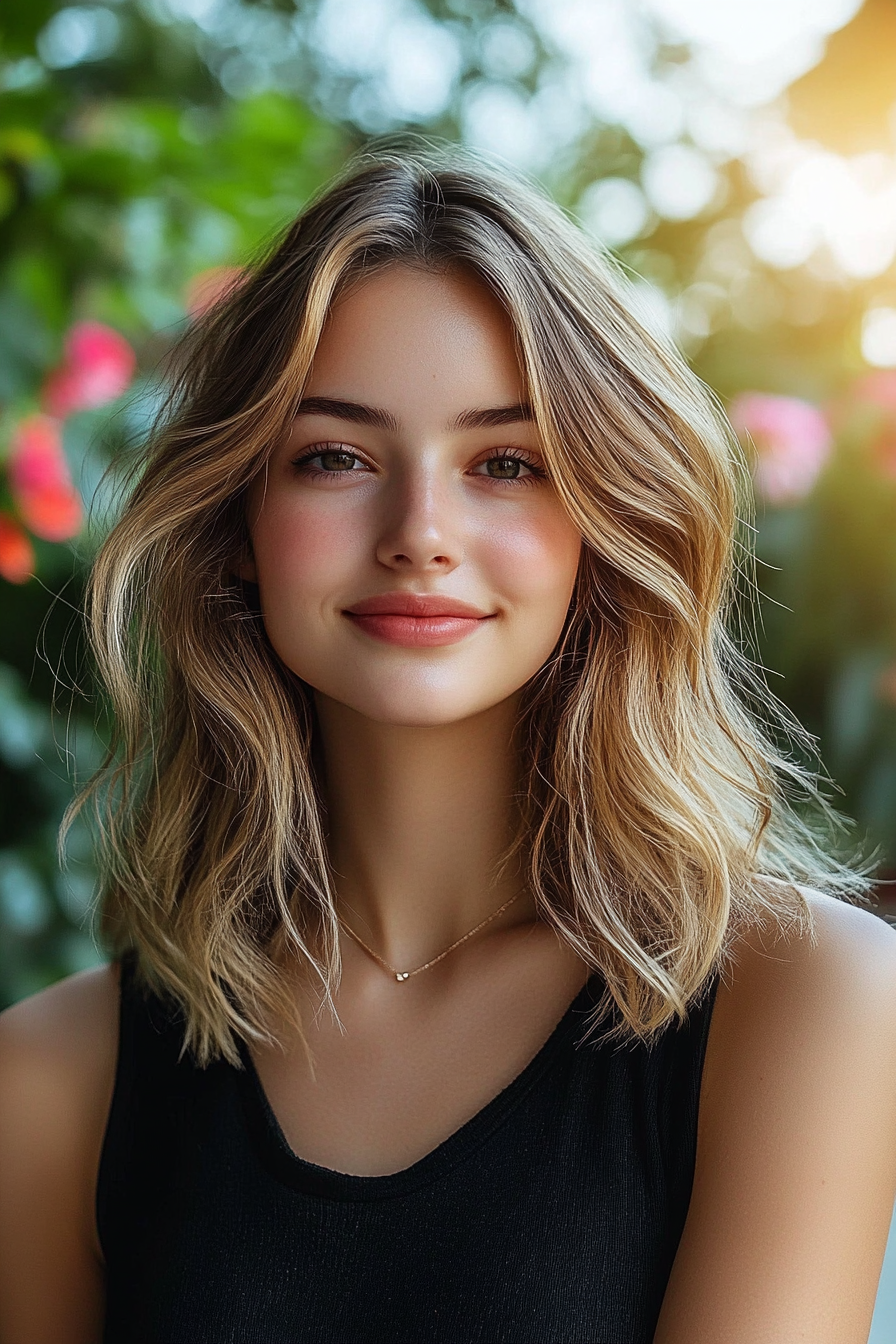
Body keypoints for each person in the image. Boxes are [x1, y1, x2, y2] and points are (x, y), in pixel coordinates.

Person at [2, 145, 896, 1344]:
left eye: (506, 464)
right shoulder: (52, 1080)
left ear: (607, 521)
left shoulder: (809, 998)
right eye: (334, 456)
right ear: (232, 525)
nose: (419, 532)